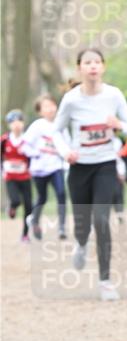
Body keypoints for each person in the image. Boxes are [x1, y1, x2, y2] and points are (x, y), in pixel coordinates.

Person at [54, 48, 127, 300]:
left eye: (97, 62)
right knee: (82, 224)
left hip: (105, 165)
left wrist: (119, 125)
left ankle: (105, 281)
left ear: (103, 66)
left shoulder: (114, 95)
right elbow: (56, 131)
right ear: (79, 68)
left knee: (101, 219)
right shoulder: (71, 99)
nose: (92, 66)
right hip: (79, 167)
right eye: (87, 63)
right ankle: (81, 243)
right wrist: (65, 152)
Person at [23, 95, 70, 240]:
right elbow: (25, 146)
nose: (50, 109)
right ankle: (34, 220)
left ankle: (62, 227)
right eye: (46, 106)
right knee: (42, 197)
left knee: (61, 194)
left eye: (52, 105)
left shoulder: (61, 124)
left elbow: (68, 145)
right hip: (39, 169)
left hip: (56, 166)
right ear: (40, 111)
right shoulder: (37, 126)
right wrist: (36, 154)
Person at [1, 110, 32, 243]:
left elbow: (33, 157)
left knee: (29, 207)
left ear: (23, 123)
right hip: (10, 178)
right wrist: (2, 170)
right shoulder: (4, 140)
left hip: (25, 177)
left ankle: (25, 235)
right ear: (9, 125)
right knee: (16, 200)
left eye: (19, 121)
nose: (17, 124)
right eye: (13, 122)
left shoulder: (28, 140)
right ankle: (12, 208)